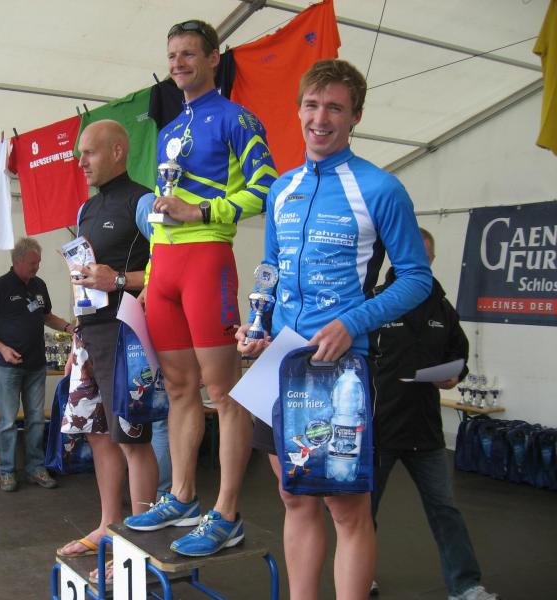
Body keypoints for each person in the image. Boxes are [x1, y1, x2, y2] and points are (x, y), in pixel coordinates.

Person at [237, 59, 432, 599]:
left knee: (346, 510)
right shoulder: (282, 189)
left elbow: (416, 278)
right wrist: (259, 326)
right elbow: (271, 271)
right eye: (312, 105)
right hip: (279, 361)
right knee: (293, 496)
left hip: (339, 368)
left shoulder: (381, 187)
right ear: (298, 109)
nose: (320, 119)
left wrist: (352, 322)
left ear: (355, 117)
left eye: (335, 108)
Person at [122, 19, 278, 558]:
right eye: (172, 55)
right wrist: (151, 274)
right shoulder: (169, 129)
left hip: (207, 259)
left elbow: (266, 187)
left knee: (223, 391)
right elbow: (159, 208)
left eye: (189, 54)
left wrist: (202, 211)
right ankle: (183, 496)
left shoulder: (237, 118)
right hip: (165, 267)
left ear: (214, 58)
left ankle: (227, 513)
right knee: (178, 389)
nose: (178, 63)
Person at [369, 228, 498, 600]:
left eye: (425, 258)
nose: (419, 263)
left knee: (446, 509)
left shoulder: (442, 308)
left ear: (432, 260)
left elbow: (459, 354)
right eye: (412, 255)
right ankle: (360, 576)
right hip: (379, 427)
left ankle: (465, 586)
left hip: (425, 431)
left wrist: (456, 375)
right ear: (398, 255)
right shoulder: (375, 302)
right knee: (361, 512)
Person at [56, 120, 161, 570]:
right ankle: (108, 525)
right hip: (90, 334)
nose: (81, 162)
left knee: (132, 438)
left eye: (90, 153)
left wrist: (117, 279)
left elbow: (168, 267)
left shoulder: (143, 202)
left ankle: (139, 543)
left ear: (118, 151)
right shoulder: (86, 208)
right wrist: (75, 338)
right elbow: (82, 277)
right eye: (79, 154)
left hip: (126, 334)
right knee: (98, 434)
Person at [0, 237, 74, 492]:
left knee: (36, 420)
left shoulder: (39, 285)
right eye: (32, 262)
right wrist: (2, 348)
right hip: (8, 367)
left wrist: (67, 327)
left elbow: (46, 316)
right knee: (7, 420)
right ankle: (7, 471)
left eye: (38, 262)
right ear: (18, 261)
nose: (37, 266)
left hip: (36, 364)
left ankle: (35, 468)